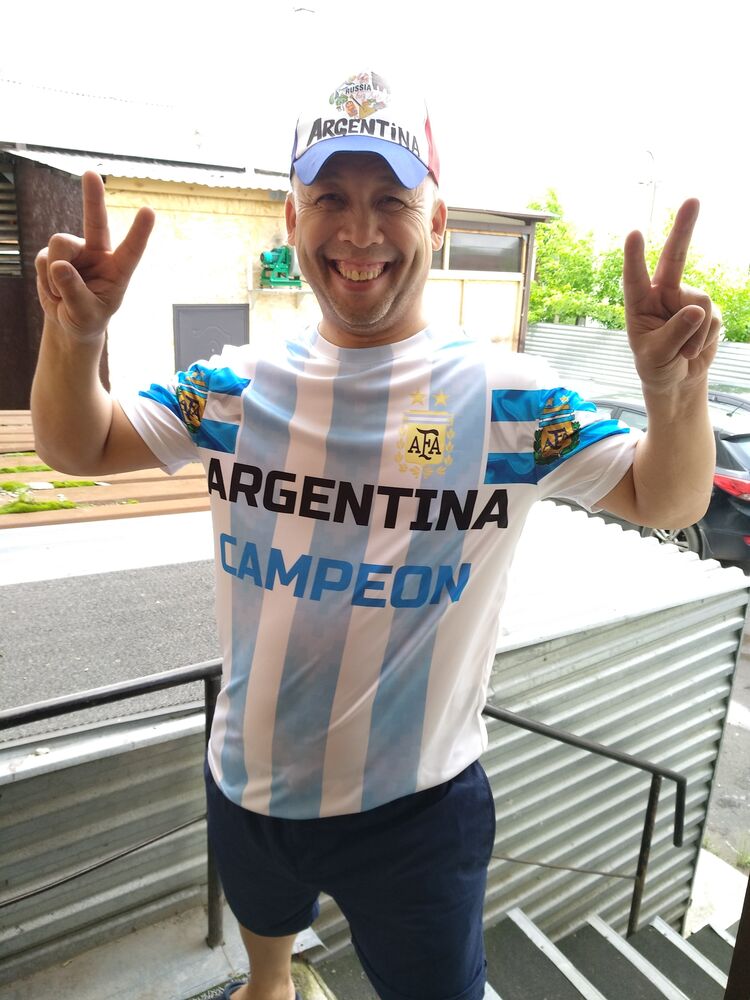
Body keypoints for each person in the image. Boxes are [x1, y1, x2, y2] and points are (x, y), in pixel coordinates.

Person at [31, 69, 720, 1000]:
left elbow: (667, 500)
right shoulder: (230, 388)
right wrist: (74, 340)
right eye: (331, 199)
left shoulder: (512, 403)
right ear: (292, 218)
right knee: (265, 959)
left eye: (392, 200)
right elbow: (77, 444)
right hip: (247, 778)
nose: (359, 233)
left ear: (438, 223)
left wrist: (674, 394)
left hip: (419, 812)